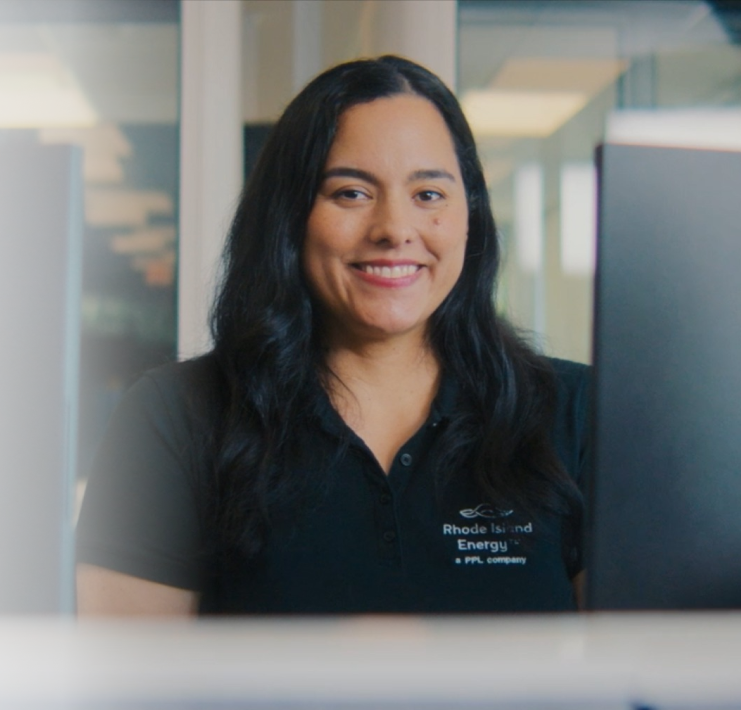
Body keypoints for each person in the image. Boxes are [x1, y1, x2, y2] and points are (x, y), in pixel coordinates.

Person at [75, 56, 590, 616]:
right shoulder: (176, 417)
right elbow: (126, 691)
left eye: (429, 195)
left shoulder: (578, 414)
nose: (395, 229)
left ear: (471, 216)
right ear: (289, 218)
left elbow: (641, 676)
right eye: (351, 193)